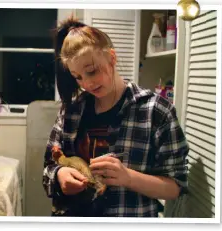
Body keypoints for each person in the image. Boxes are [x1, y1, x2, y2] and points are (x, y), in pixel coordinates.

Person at [42, 16, 189, 217]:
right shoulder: (72, 111)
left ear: (112, 57)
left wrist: (128, 177)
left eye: (92, 71)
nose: (87, 84)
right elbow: (49, 168)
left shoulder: (156, 111)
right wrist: (60, 176)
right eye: (78, 77)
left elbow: (176, 186)